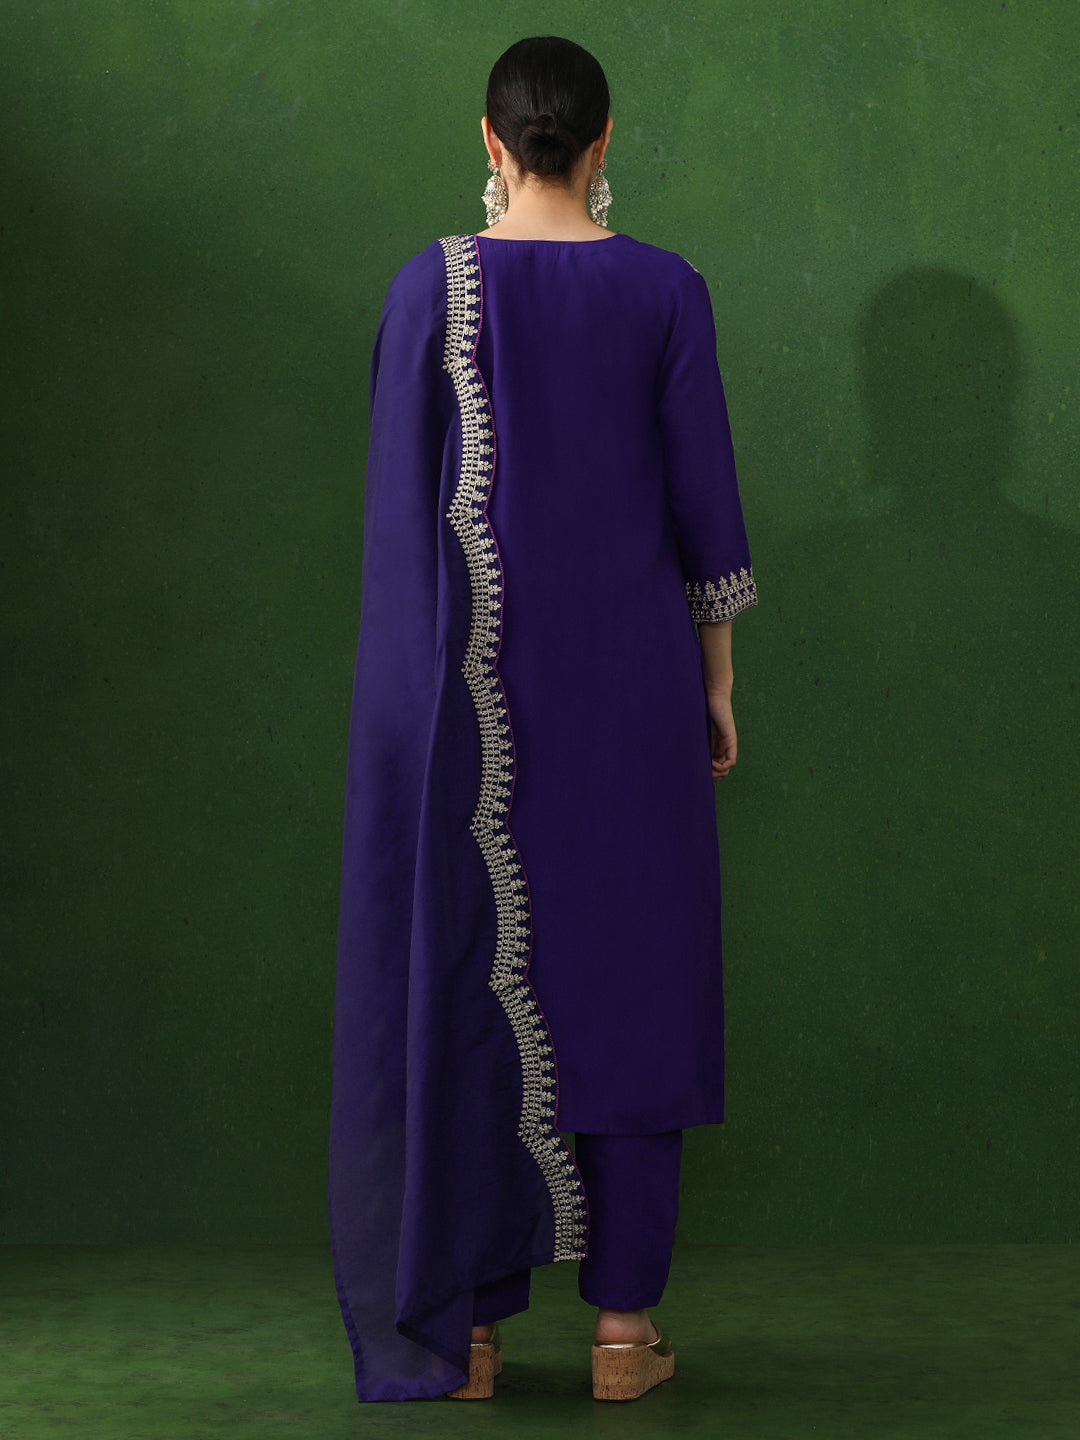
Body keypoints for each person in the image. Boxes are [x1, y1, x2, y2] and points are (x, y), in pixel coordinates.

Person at [327, 34, 757, 1405]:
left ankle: (466, 1333)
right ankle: (625, 1333)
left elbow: (401, 526)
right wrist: (716, 683)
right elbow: (704, 510)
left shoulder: (431, 287)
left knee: (471, 969)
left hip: (469, 708)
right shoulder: (666, 289)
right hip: (634, 695)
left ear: (491, 139)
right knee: (635, 975)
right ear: (605, 140)